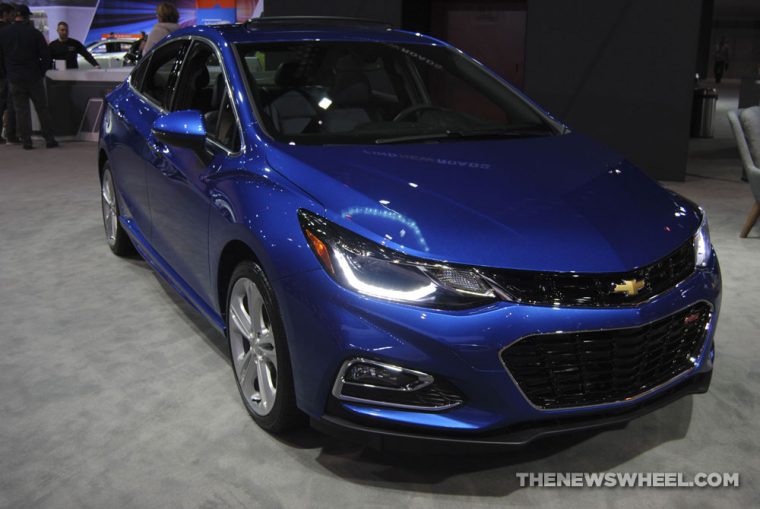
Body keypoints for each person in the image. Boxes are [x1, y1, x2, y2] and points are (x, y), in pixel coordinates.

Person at [0, 4, 58, 149]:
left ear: (15, 16)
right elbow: (45, 56)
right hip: (33, 76)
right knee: (42, 108)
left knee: (21, 110)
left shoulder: (4, 33)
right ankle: (49, 139)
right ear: (27, 17)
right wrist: (41, 72)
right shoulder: (34, 33)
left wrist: (6, 73)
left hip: (14, 77)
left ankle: (26, 141)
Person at [0, 2, 14, 143]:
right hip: (6, 73)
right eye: (10, 14)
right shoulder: (9, 30)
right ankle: (11, 134)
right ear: (4, 14)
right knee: (8, 104)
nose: (12, 17)